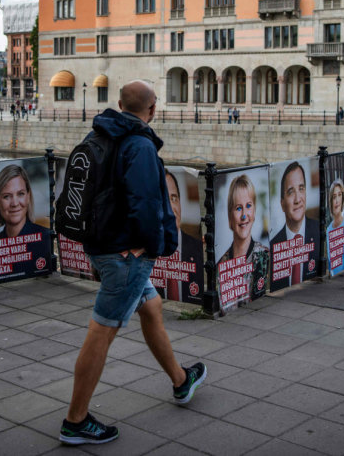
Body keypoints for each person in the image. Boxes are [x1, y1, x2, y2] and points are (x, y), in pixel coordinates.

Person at [60, 80, 205, 446]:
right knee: (101, 331)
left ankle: (179, 380)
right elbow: (145, 204)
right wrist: (151, 247)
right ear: (152, 110)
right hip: (126, 255)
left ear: (120, 104)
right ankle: (75, 421)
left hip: (104, 245)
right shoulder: (139, 145)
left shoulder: (102, 135)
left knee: (152, 307)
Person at [0, 164, 51, 282]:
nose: (14, 203)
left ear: (28, 197)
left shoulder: (45, 238)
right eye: (6, 196)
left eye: (20, 194)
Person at [218, 174, 270, 301]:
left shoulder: (263, 255)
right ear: (230, 216)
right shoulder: (220, 263)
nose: (244, 215)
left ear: (254, 210)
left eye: (248, 206)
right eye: (238, 208)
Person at [270, 162, 321, 283]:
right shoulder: (273, 247)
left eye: (301, 189)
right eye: (291, 192)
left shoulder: (320, 231)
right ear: (282, 204)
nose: (298, 199)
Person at [158, 169, 203, 301]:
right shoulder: (143, 249)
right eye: (164, 199)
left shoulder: (197, 250)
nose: (171, 208)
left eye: (173, 198)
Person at [325, 179, 344, 275]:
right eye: (334, 197)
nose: (337, 200)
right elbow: (329, 264)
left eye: (339, 195)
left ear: (342, 198)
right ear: (330, 201)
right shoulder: (329, 229)